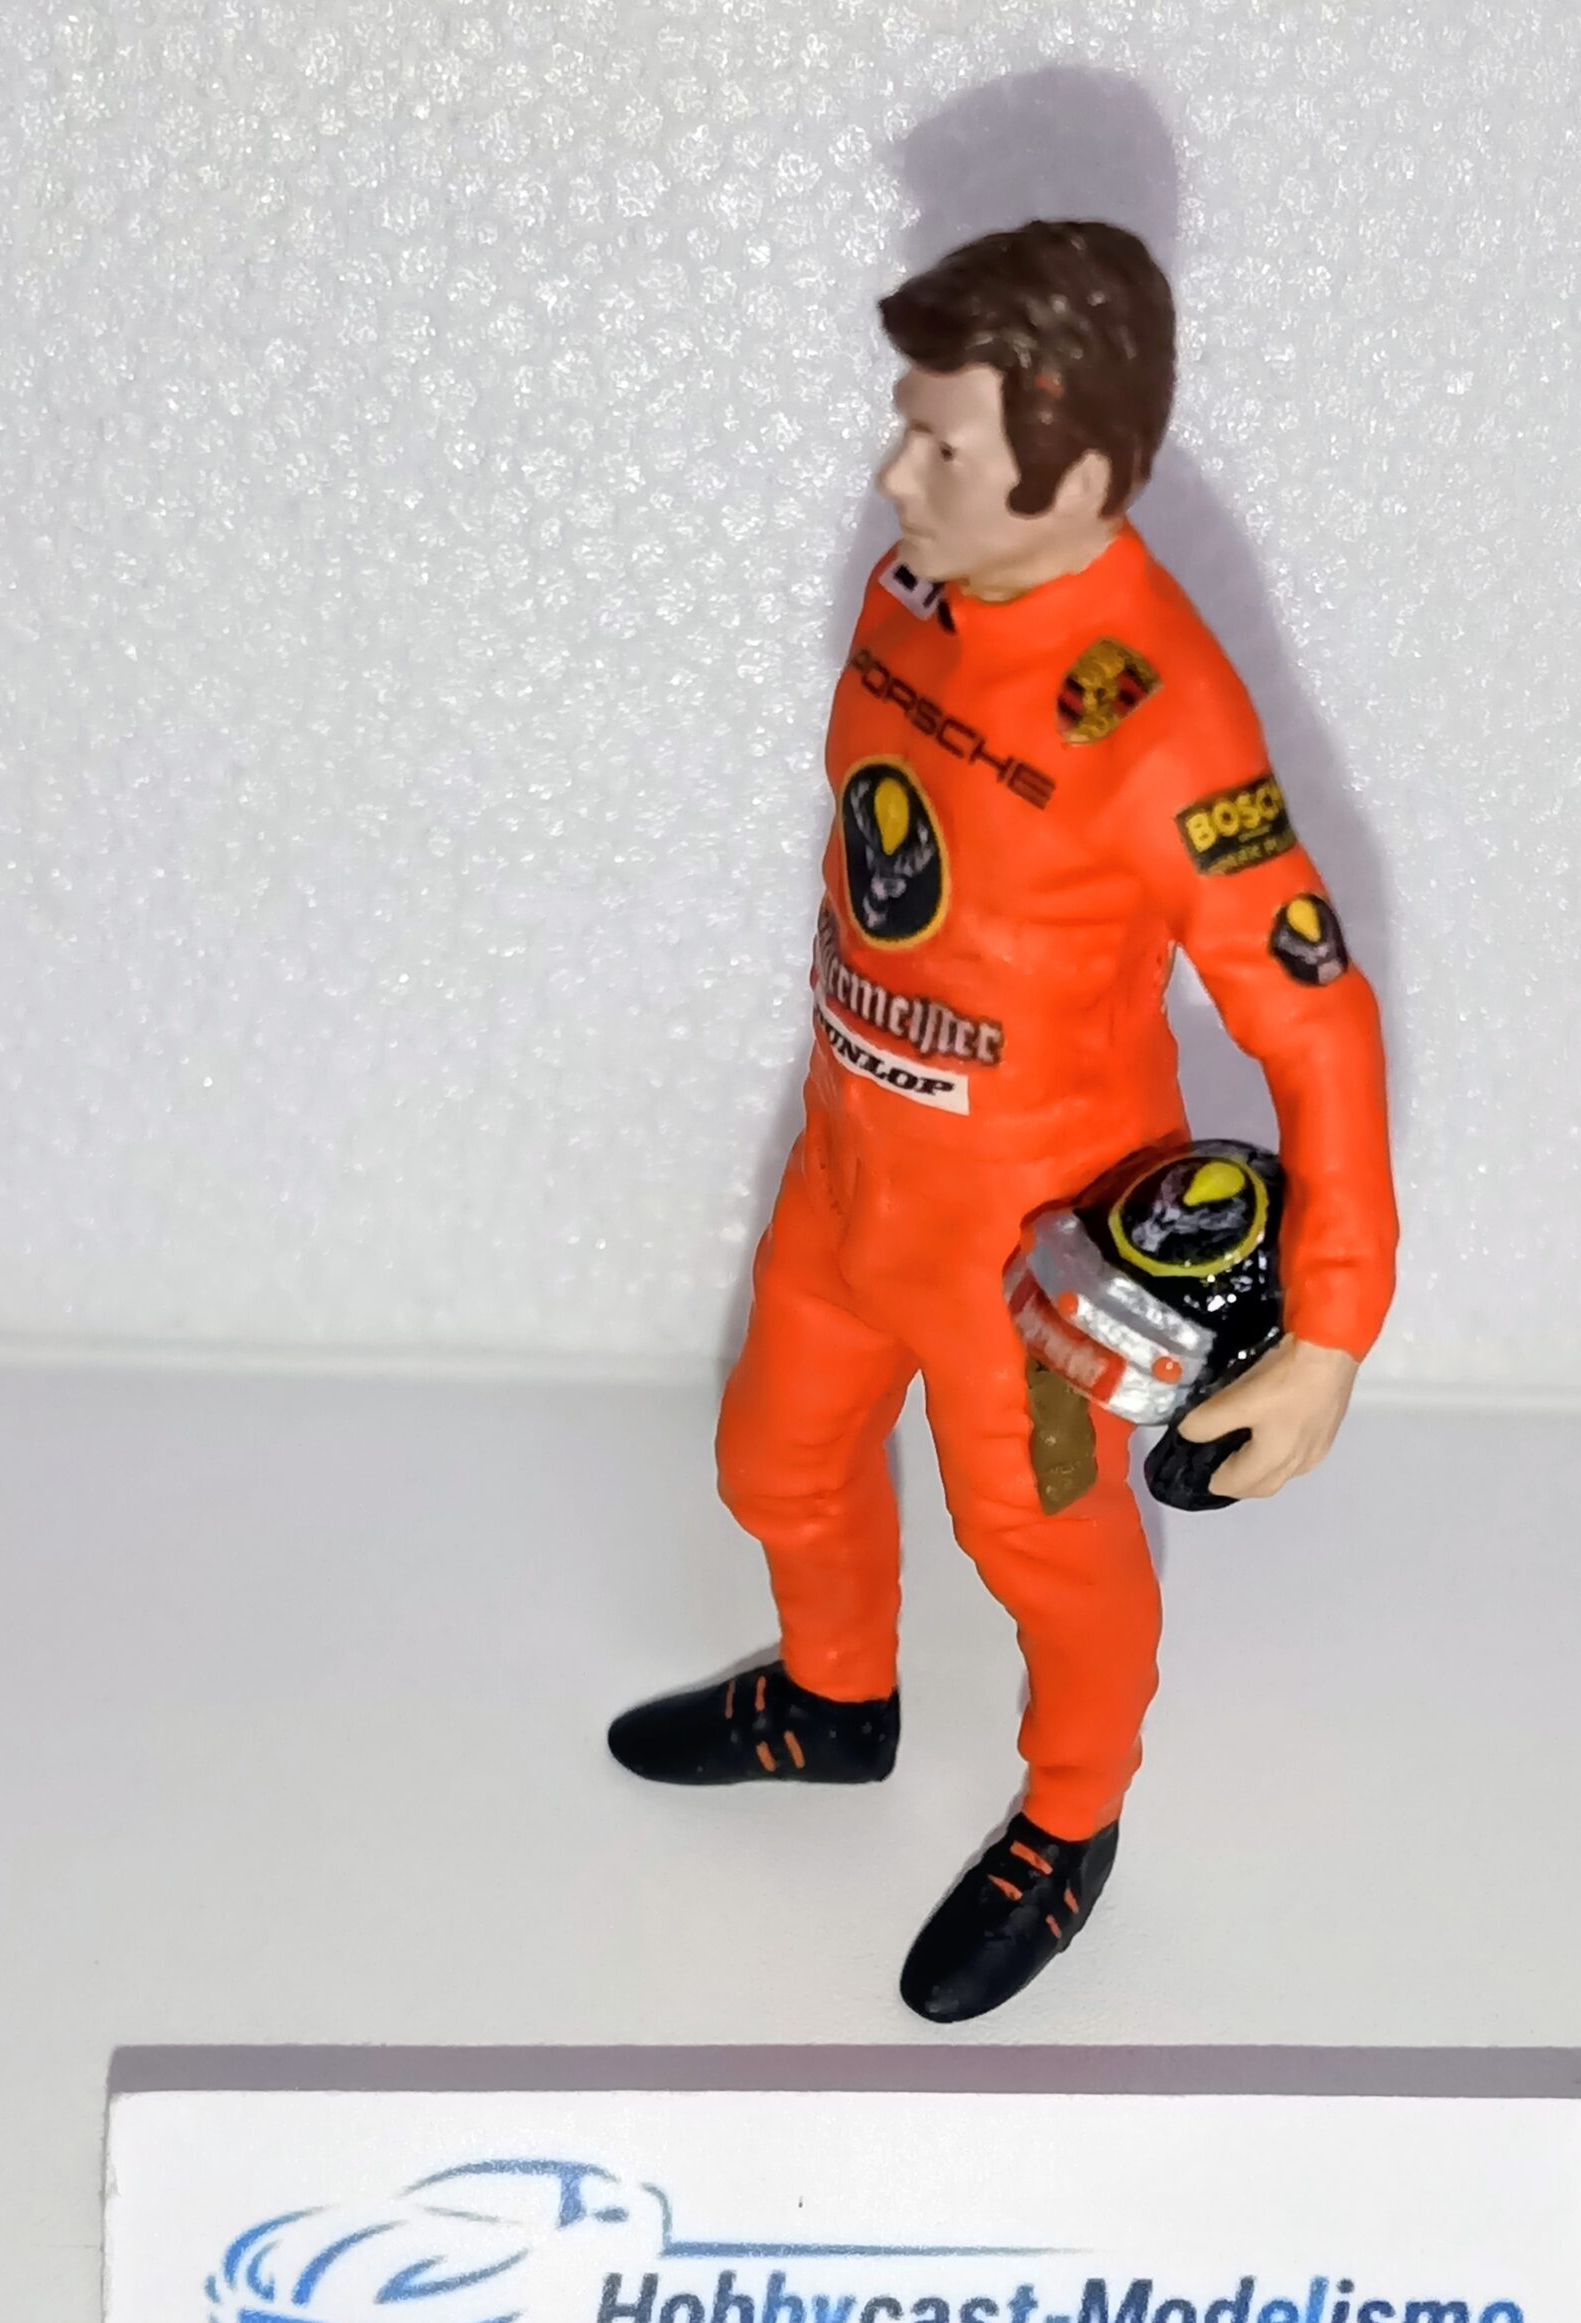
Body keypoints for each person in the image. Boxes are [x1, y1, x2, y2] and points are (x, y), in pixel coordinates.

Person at [608, 221, 1399, 2023]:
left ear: (1081, 473)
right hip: (849, 1181)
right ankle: (834, 1699)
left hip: (1034, 1273)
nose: (895, 474)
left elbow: (1314, 1015)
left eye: (940, 443)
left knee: (1042, 1545)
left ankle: (1070, 1814)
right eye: (906, 426)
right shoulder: (913, 589)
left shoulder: (1163, 721)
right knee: (770, 1464)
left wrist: (1328, 1331)